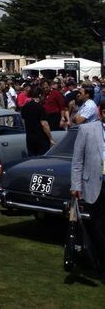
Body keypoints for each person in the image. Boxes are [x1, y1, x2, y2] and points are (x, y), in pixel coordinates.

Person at [70, 96, 105, 274]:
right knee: (97, 227)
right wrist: (76, 185)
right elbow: (77, 161)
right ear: (102, 113)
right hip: (94, 185)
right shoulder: (87, 130)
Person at [20, 85, 55, 156]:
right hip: (41, 139)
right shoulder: (40, 107)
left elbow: (23, 122)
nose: (44, 98)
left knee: (32, 159)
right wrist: (51, 138)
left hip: (29, 138)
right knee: (43, 159)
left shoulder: (25, 107)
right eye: (43, 96)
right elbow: (44, 124)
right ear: (40, 95)